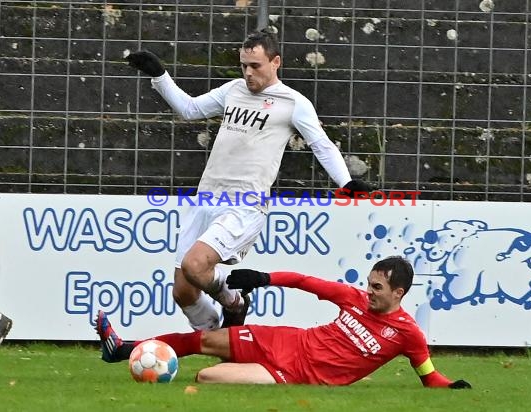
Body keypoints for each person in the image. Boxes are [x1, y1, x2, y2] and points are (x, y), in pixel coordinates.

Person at [125, 29, 370, 331]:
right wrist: (159, 75)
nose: (248, 73)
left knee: (194, 265)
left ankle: (234, 302)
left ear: (275, 62)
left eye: (256, 66)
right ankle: (219, 339)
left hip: (243, 206)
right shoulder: (233, 90)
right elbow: (189, 110)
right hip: (206, 199)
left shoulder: (294, 102)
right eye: (244, 65)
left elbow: (321, 144)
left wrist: (345, 183)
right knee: (183, 291)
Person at [95, 256, 471, 388]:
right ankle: (123, 350)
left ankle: (235, 321)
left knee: (206, 377)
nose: (368, 291)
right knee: (207, 341)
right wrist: (264, 278)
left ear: (399, 293)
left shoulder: (408, 335)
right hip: (286, 341)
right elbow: (305, 282)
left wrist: (450, 386)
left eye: (377, 287)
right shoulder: (353, 299)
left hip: (293, 375)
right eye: (369, 284)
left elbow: (429, 376)